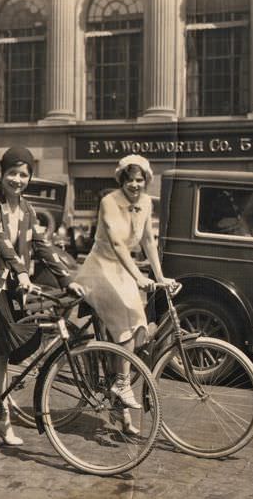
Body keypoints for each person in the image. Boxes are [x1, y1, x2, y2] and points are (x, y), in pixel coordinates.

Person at [0, 146, 85, 444]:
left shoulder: (27, 210)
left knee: (3, 351)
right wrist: (22, 272)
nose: (18, 179)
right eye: (12, 173)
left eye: (24, 174)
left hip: (1, 287)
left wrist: (66, 279)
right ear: (2, 173)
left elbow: (42, 246)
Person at [74, 154, 177, 434]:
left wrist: (159, 276)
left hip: (124, 272)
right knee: (127, 328)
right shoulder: (109, 202)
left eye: (139, 179)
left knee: (140, 332)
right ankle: (120, 384)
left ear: (146, 181)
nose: (135, 184)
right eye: (130, 179)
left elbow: (148, 241)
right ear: (122, 180)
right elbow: (118, 244)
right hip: (100, 269)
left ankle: (118, 398)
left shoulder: (145, 203)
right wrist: (139, 277)